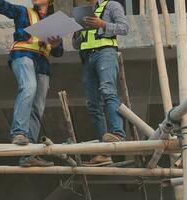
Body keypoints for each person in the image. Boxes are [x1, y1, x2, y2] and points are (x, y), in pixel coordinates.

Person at [0, 0, 64, 167]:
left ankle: (28, 154)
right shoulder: (23, 12)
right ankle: (18, 133)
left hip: (43, 63)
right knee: (28, 88)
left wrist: (56, 43)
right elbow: (3, 7)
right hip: (23, 55)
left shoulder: (54, 22)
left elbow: (59, 52)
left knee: (38, 106)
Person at [72, 0, 129, 166]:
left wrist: (102, 24)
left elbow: (124, 28)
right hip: (87, 57)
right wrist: (76, 34)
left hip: (105, 53)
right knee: (93, 104)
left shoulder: (112, 6)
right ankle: (103, 153)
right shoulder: (84, 13)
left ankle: (118, 134)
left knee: (107, 90)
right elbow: (76, 45)